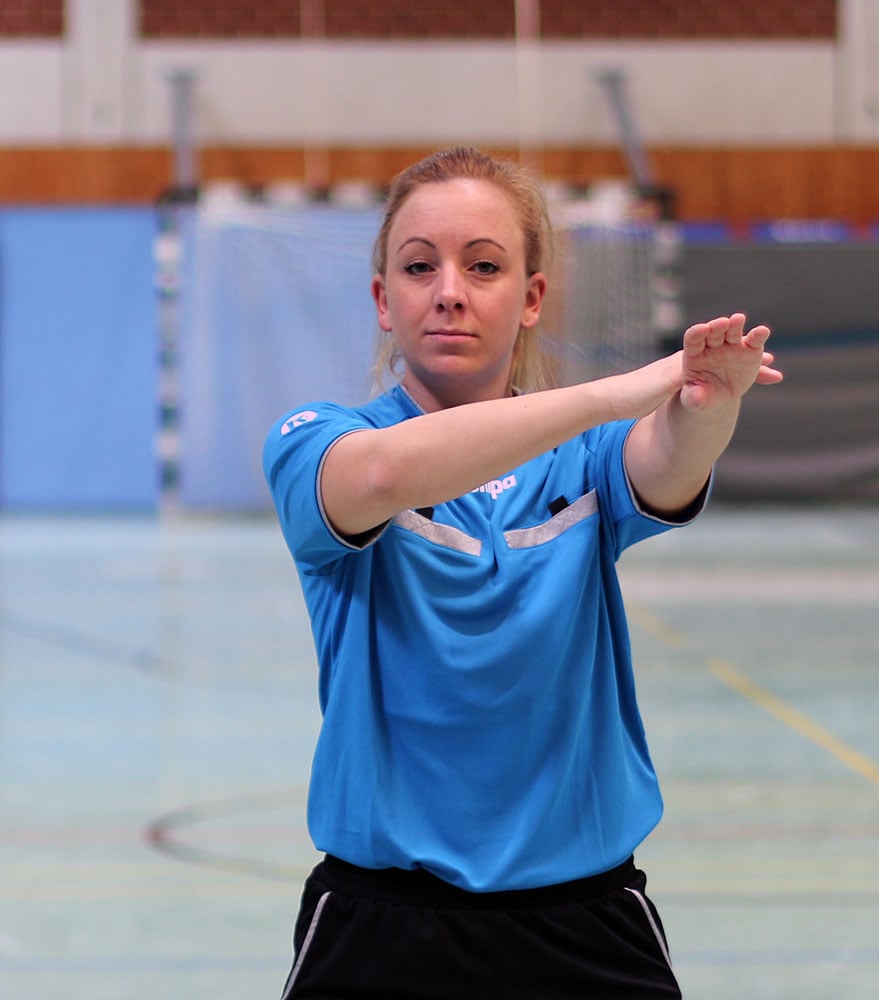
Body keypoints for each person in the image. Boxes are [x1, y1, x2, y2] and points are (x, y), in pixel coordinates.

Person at [264, 145, 782, 999]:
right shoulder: (316, 442)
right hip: (380, 926)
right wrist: (615, 392)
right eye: (419, 267)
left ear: (532, 297)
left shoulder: (588, 457)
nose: (450, 291)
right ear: (382, 300)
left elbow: (669, 459)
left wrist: (707, 403)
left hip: (586, 922)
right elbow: (384, 475)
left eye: (484, 266)